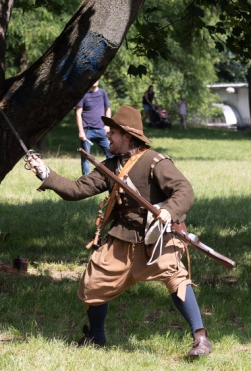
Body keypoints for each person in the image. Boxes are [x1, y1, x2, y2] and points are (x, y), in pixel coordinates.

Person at [25, 105, 212, 357]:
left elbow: (183, 190)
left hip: (157, 238)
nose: (107, 134)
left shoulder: (155, 161)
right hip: (122, 237)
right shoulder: (111, 165)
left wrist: (169, 210)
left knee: (175, 277)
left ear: (127, 136)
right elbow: (77, 190)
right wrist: (44, 172)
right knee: (93, 284)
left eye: (112, 131)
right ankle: (97, 337)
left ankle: (201, 339)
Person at [75, 81, 113, 175]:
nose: (95, 81)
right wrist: (81, 131)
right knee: (86, 157)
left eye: (97, 79)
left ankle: (114, 176)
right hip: (87, 130)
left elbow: (108, 109)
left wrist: (107, 125)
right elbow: (78, 113)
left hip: (101, 130)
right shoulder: (84, 94)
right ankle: (86, 181)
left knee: (111, 154)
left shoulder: (102, 92)